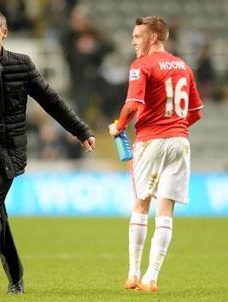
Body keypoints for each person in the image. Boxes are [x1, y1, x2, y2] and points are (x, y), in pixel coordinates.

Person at [0, 9, 95, 298]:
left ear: (4, 33)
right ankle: (16, 278)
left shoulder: (22, 65)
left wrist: (81, 130)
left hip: (8, 154)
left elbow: (52, 101)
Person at [108, 16, 203, 292]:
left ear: (153, 38)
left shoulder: (142, 65)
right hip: (180, 142)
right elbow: (194, 113)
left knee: (140, 205)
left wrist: (118, 126)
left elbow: (132, 104)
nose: (133, 41)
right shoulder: (184, 67)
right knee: (165, 213)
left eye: (138, 36)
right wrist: (174, 126)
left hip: (151, 142)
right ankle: (152, 277)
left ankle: (134, 273)